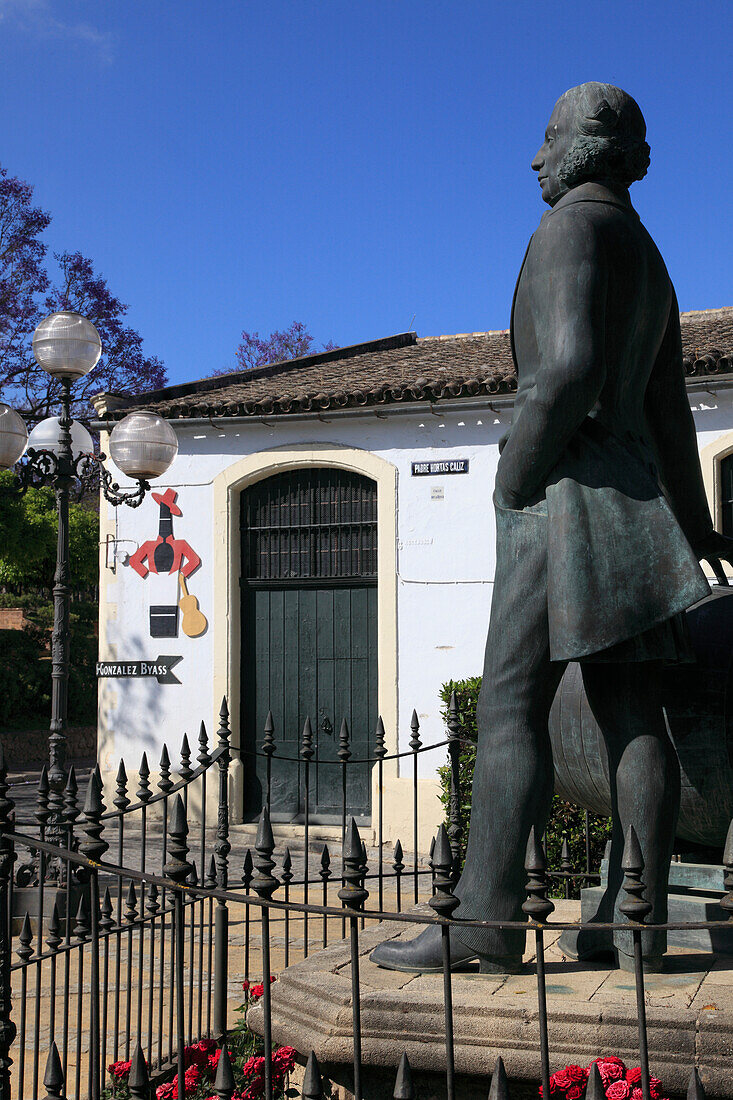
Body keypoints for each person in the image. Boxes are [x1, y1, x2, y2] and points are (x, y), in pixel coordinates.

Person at [371, 82, 733, 975]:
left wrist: (514, 474)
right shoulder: (646, 251)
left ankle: (483, 928)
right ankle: (643, 925)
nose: (534, 158)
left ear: (583, 144)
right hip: (637, 503)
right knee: (631, 712)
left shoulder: (569, 228)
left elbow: (566, 368)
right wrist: (698, 524)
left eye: (544, 138)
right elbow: (668, 412)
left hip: (561, 497)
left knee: (507, 711)